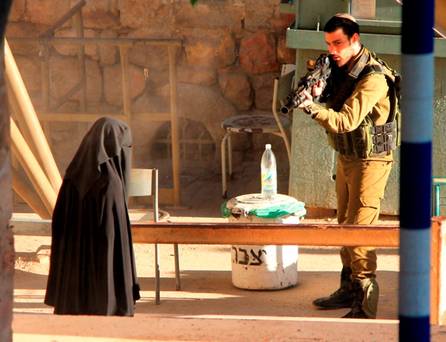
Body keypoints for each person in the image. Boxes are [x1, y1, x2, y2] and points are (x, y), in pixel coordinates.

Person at [298, 14, 398, 319]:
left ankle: (366, 301)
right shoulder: (341, 69)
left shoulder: (373, 78)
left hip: (371, 161)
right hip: (347, 157)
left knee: (360, 229)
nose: (332, 50)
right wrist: (314, 91)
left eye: (338, 43)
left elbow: (346, 121)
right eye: (328, 43)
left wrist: (311, 107)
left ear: (355, 40)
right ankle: (348, 288)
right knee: (344, 224)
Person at [45, 117, 140, 316]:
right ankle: (107, 303)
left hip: (73, 270)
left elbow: (60, 221)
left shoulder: (72, 175)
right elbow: (112, 237)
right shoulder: (111, 184)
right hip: (101, 278)